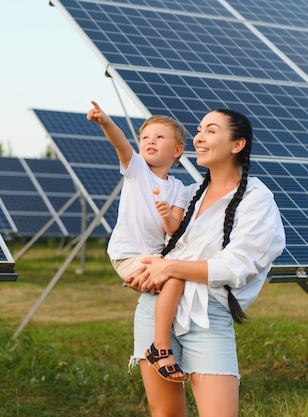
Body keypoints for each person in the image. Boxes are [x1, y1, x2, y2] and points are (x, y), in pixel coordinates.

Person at [124, 108, 286, 417]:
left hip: (208, 315)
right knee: (166, 413)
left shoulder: (256, 199)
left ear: (237, 145)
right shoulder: (188, 194)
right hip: (155, 308)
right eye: (199, 130)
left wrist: (168, 268)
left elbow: (237, 265)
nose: (198, 137)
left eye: (210, 131)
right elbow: (158, 246)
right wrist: (143, 272)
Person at [87, 100, 192, 382]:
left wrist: (167, 214)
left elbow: (174, 228)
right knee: (175, 277)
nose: (150, 142)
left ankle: (168, 341)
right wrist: (105, 121)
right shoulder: (136, 169)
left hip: (153, 257)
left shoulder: (179, 188)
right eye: (145, 137)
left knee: (176, 276)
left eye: (159, 137)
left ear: (177, 150)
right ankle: (160, 347)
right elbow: (121, 143)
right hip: (127, 253)